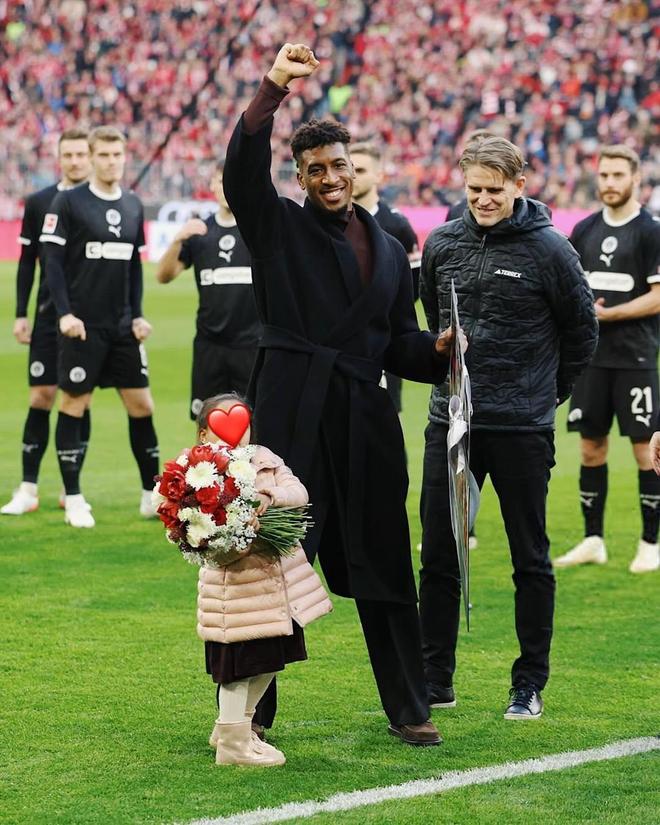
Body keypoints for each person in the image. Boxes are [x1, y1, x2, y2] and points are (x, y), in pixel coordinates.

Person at [224, 43, 453, 746]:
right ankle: (247, 714)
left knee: (386, 561)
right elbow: (241, 173)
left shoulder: (388, 249)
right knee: (272, 563)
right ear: (300, 177)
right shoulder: (278, 226)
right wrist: (273, 87)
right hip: (293, 415)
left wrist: (438, 351)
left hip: (365, 421)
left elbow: (396, 341)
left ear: (356, 170)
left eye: (339, 166)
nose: (330, 178)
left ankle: (408, 705)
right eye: (316, 169)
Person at [419, 136, 597, 720]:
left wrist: (544, 394)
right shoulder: (442, 242)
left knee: (530, 558)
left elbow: (582, 333)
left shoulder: (551, 250)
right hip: (452, 423)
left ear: (520, 185)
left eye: (494, 190)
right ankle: (433, 680)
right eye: (474, 189)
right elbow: (433, 320)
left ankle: (528, 683)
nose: (484, 200)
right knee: (439, 554)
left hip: (522, 427)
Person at [194, 393, 332, 766]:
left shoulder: (265, 459)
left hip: (276, 589)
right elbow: (202, 537)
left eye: (242, 423)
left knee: (271, 660)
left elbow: (299, 492)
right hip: (236, 593)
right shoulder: (199, 474)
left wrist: (271, 495)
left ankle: (232, 729)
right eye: (221, 424)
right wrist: (239, 531)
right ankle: (233, 745)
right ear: (204, 434)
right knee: (240, 667)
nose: (235, 433)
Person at [40, 125, 159, 528]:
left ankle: (150, 495)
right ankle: (73, 497)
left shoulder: (133, 205)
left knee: (142, 405)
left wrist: (137, 314)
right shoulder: (68, 202)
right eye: (104, 155)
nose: (111, 162)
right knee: (74, 403)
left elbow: (134, 268)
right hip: (82, 327)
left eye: (117, 155)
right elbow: (53, 264)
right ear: (91, 158)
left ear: (125, 157)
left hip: (122, 327)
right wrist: (64, 314)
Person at [555, 145, 660, 575]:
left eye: (618, 175)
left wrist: (609, 315)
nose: (610, 183)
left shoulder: (651, 231)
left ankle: (650, 543)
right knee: (590, 447)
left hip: (636, 358)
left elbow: (658, 297)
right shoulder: (584, 230)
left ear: (636, 179)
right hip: (591, 360)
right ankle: (593, 540)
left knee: (646, 451)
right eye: (604, 175)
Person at [2, 129, 92, 516]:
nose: (74, 161)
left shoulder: (100, 202)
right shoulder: (40, 202)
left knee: (79, 399)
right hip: (46, 317)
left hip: (87, 319)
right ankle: (27, 488)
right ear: (59, 158)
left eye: (80, 154)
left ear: (90, 156)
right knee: (41, 396)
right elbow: (27, 263)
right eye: (67, 154)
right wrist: (20, 314)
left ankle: (72, 490)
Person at [155, 164, 261, 421]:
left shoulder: (258, 231)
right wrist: (178, 239)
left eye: (233, 180)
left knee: (253, 424)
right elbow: (164, 275)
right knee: (206, 423)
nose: (226, 187)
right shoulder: (200, 232)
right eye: (220, 181)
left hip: (251, 346)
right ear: (212, 185)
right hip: (209, 347)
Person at [350, 141, 420, 413]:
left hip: (383, 344)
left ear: (379, 175)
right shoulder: (328, 222)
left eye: (361, 170)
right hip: (339, 342)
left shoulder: (397, 226)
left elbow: (413, 287)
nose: (354, 176)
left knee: (386, 419)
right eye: (350, 169)